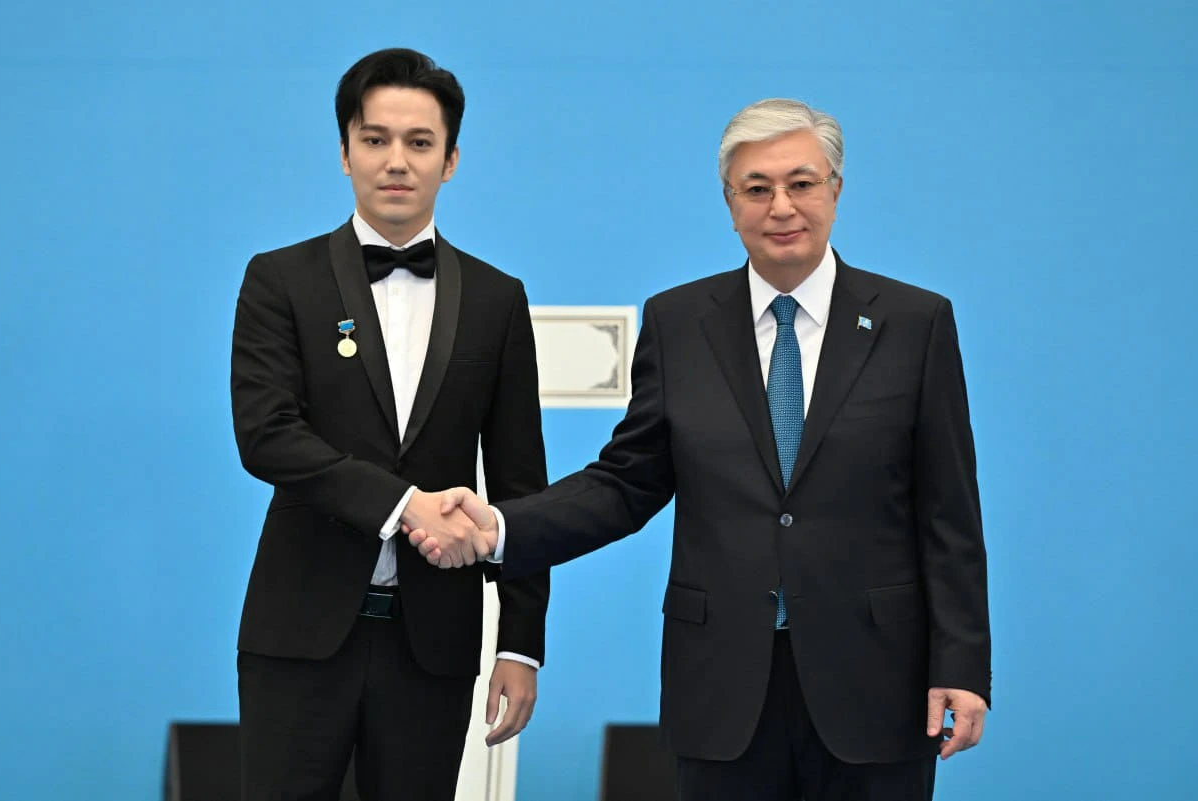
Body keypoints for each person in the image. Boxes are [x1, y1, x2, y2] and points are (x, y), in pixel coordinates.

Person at [410, 98, 991, 800]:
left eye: (802, 183)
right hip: (722, 686)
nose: (781, 206)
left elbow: (948, 513)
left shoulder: (914, 323)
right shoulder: (680, 323)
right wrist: (502, 527)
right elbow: (625, 483)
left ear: (836, 190)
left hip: (876, 682)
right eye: (757, 188)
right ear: (729, 203)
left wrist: (961, 663)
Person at [230, 47, 549, 801]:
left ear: (451, 160)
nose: (396, 161)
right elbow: (267, 435)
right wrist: (407, 505)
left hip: (433, 642)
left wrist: (520, 645)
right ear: (345, 153)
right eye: (375, 139)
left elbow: (520, 482)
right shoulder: (280, 280)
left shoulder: (498, 299)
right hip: (298, 631)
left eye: (419, 142)